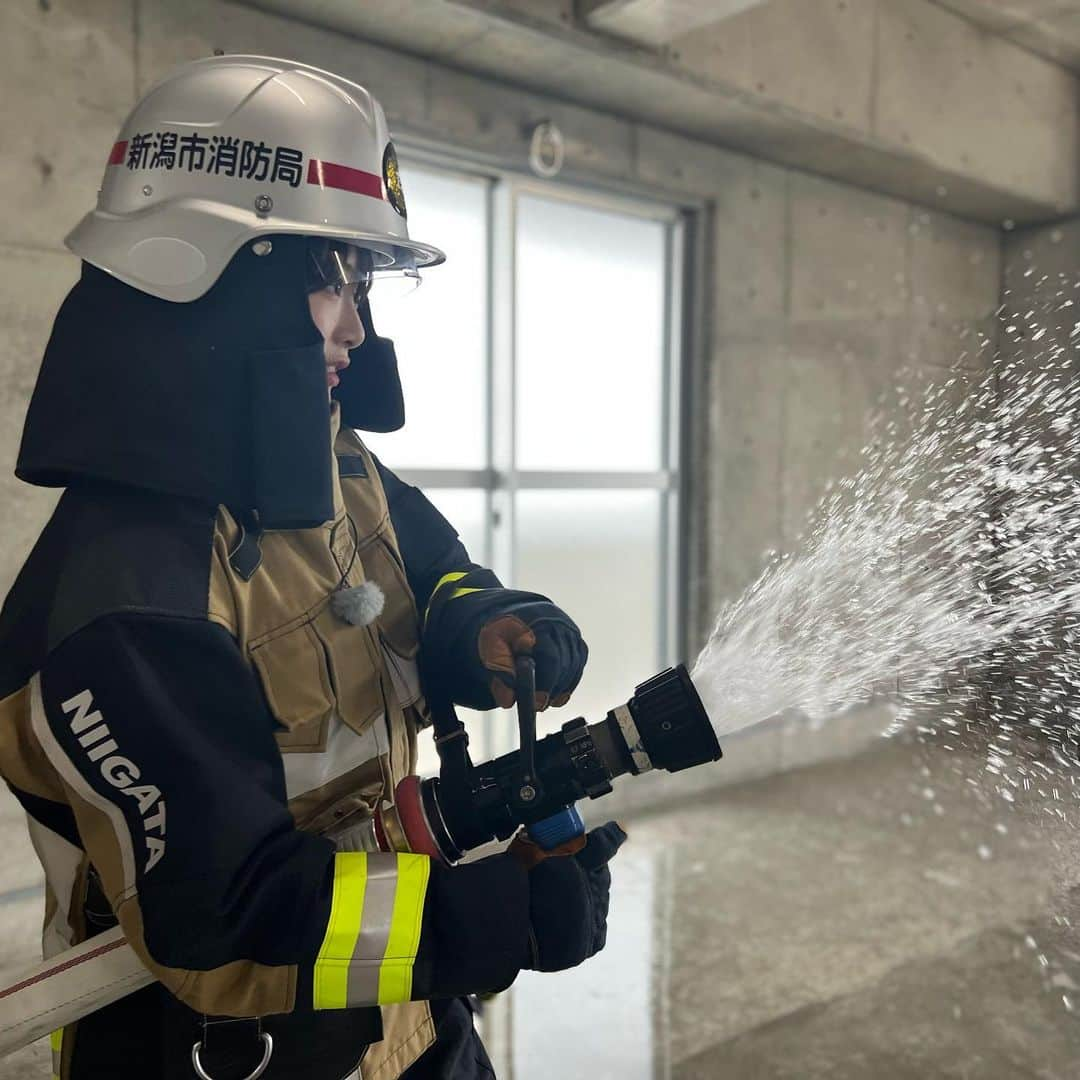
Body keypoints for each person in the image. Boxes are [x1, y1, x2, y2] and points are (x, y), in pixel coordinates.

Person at [0, 55, 626, 1080]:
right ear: (212, 271)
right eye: (334, 278)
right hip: (223, 1052)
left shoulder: (319, 462)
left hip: (406, 1019)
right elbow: (230, 919)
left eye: (364, 284)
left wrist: (483, 625)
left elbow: (431, 574)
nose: (359, 326)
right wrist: (498, 915)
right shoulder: (126, 600)